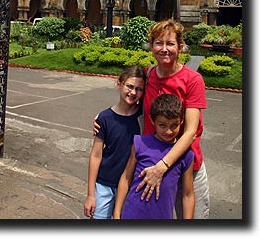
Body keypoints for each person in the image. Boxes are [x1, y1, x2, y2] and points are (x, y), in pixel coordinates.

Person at [94, 19, 209, 219]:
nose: (164, 49)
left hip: (185, 165)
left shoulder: (192, 80)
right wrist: (103, 117)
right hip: (149, 162)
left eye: (170, 44)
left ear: (180, 47)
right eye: (159, 43)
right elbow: (131, 100)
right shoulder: (148, 75)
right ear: (151, 46)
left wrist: (163, 166)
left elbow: (190, 132)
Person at [113, 94, 194, 219]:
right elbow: (126, 177)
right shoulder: (140, 143)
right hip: (132, 214)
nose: (168, 131)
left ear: (181, 121)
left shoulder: (186, 155)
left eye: (174, 125)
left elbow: (188, 195)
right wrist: (117, 212)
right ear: (152, 120)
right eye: (162, 125)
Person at [84, 65, 146, 219]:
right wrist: (91, 195)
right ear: (119, 84)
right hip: (104, 184)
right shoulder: (105, 118)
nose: (133, 92)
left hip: (130, 185)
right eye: (129, 86)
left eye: (139, 89)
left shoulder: (143, 117)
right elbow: (96, 155)